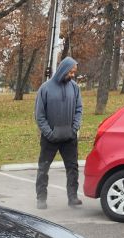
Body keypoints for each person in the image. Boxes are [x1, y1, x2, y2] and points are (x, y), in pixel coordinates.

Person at [34, 56, 82, 209]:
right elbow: (39, 115)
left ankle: (73, 197)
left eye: (74, 72)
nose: (72, 75)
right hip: (50, 138)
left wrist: (74, 129)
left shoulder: (74, 87)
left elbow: (79, 110)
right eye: (71, 72)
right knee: (43, 169)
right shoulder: (45, 88)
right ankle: (41, 199)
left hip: (69, 137)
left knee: (73, 167)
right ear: (63, 70)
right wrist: (49, 133)